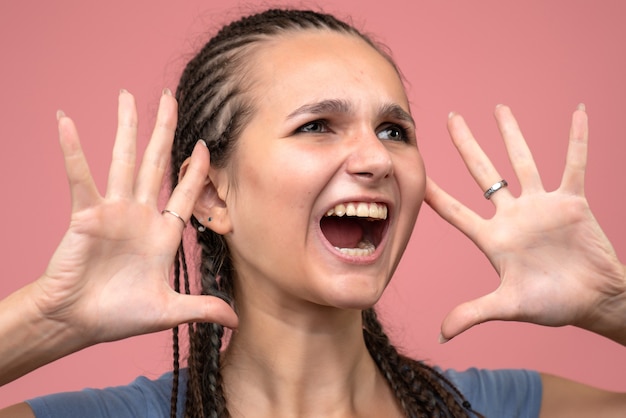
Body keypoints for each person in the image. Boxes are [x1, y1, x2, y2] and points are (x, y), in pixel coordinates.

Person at [0, 8, 625, 418]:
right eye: (318, 125)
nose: (375, 159)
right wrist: (47, 322)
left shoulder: (507, 408)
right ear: (214, 197)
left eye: (393, 130)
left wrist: (612, 305)